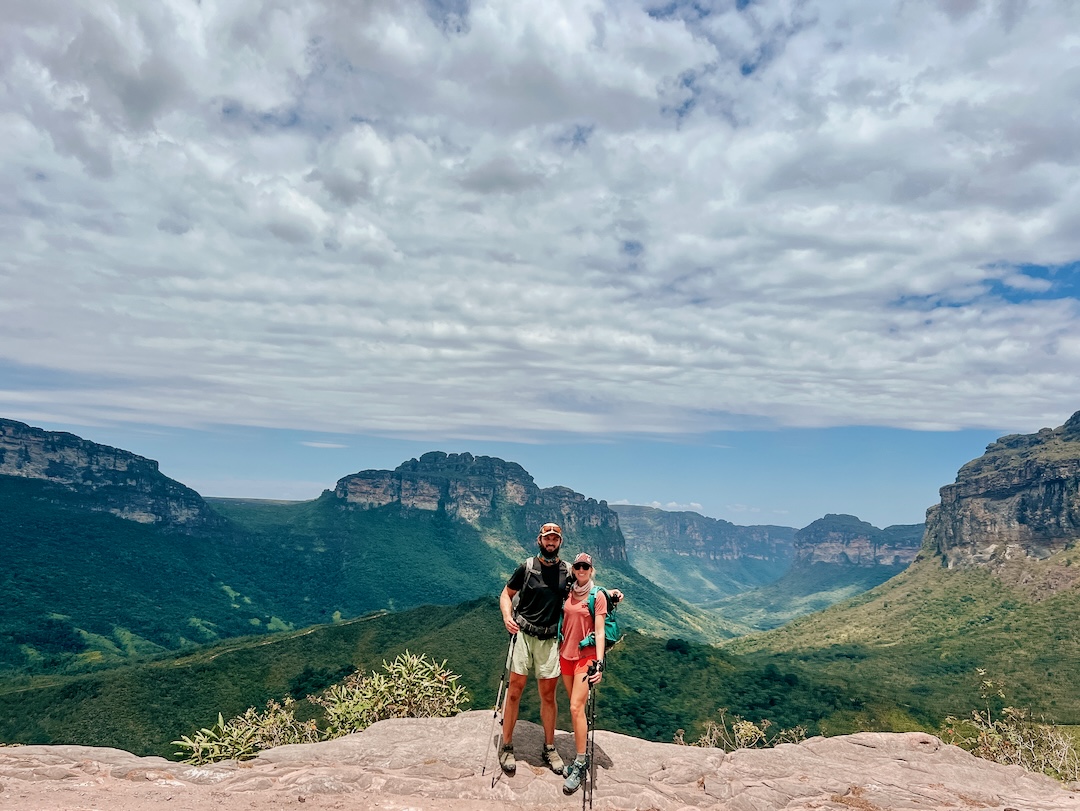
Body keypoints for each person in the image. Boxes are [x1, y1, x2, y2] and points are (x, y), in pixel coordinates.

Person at [497, 522, 572, 775]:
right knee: (515, 691)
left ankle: (549, 747)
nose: (551, 542)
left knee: (548, 695)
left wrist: (609, 595)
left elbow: (587, 593)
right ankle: (506, 745)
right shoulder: (527, 567)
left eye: (555, 539)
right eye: (547, 538)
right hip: (524, 635)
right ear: (539, 540)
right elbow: (506, 594)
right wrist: (507, 616)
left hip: (550, 640)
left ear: (560, 542)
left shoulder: (568, 572)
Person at [558, 552, 608, 795]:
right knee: (573, 705)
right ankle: (580, 755)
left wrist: (599, 662)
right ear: (573, 569)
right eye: (577, 566)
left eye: (585, 567)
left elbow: (599, 631)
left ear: (591, 570)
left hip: (585, 658)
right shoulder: (568, 591)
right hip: (565, 656)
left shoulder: (597, 595)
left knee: (576, 708)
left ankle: (580, 762)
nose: (581, 570)